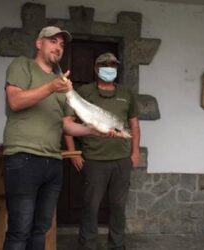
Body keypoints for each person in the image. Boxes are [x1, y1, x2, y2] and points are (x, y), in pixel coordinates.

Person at [2, 26, 115, 250]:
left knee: (41, 229)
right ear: (39, 43)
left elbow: (67, 125)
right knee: (19, 230)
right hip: (24, 157)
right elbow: (15, 101)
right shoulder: (23, 65)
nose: (58, 47)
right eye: (53, 41)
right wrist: (51, 87)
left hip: (53, 161)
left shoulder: (60, 84)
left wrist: (94, 130)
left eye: (62, 44)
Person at [64, 52, 141, 250]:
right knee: (91, 207)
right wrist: (73, 152)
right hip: (94, 159)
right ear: (96, 69)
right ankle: (88, 245)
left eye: (113, 65)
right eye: (105, 65)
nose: (110, 68)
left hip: (121, 160)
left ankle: (117, 245)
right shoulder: (84, 91)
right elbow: (67, 122)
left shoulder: (126, 93)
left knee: (118, 206)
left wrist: (135, 153)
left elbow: (134, 125)